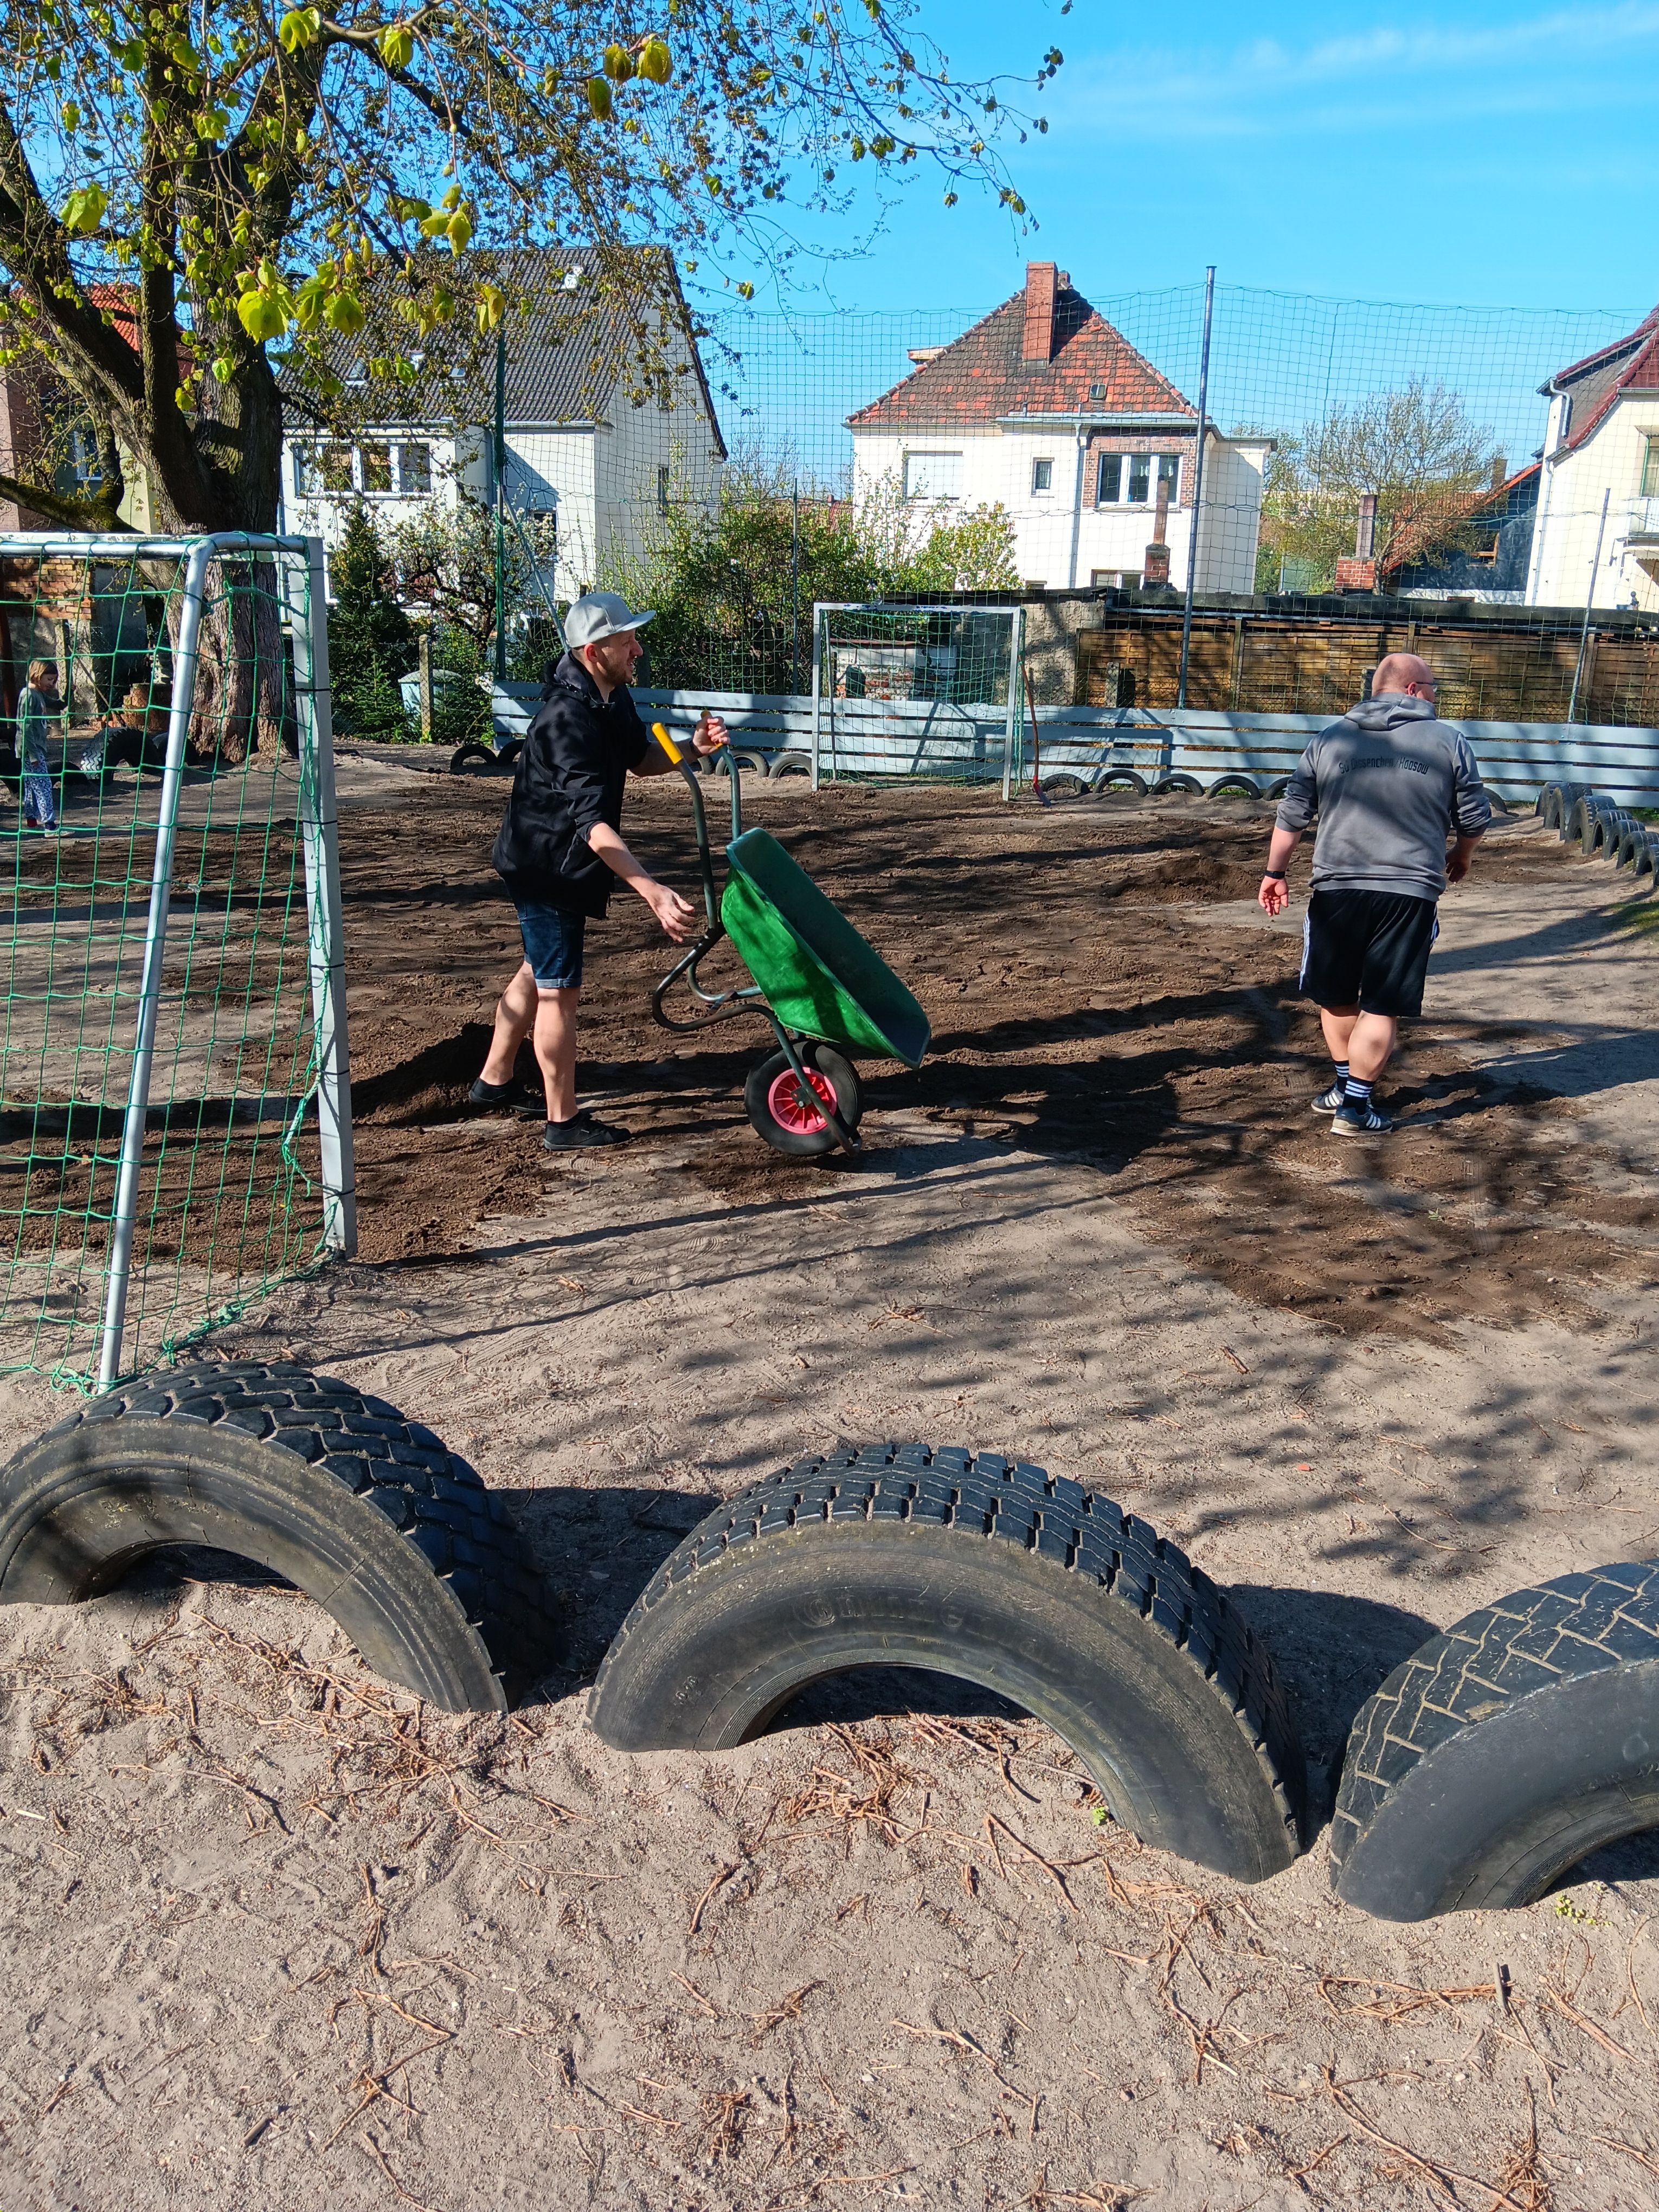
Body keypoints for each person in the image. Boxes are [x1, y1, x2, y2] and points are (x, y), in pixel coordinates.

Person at [472, 591, 728, 1150]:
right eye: (627, 641)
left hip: (552, 859)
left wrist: (692, 747)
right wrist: (651, 890)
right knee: (558, 992)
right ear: (593, 652)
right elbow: (592, 827)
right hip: (548, 868)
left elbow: (640, 760)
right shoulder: (565, 721)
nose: (638, 650)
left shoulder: (611, 697)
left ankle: (493, 1080)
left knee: (538, 969)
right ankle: (563, 1122)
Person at [1257, 651, 1490, 1137]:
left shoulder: (1329, 739)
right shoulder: (1448, 741)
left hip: (1336, 888)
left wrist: (1275, 872)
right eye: (1433, 687)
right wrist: (1462, 854)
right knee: (1382, 1003)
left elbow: (1293, 812)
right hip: (1409, 891)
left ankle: (1346, 1089)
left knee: (1336, 995)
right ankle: (1356, 1105)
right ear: (1413, 689)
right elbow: (1474, 816)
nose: (1436, 696)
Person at [17, 659, 61, 831]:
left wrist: (69, 693)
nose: (52, 684)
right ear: (38, 675)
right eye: (49, 679)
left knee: (31, 785)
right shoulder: (28, 695)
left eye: (54, 680)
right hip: (31, 749)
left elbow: (58, 705)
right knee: (44, 785)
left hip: (35, 748)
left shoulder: (39, 693)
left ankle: (32, 821)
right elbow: (25, 727)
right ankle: (50, 826)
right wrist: (34, 754)